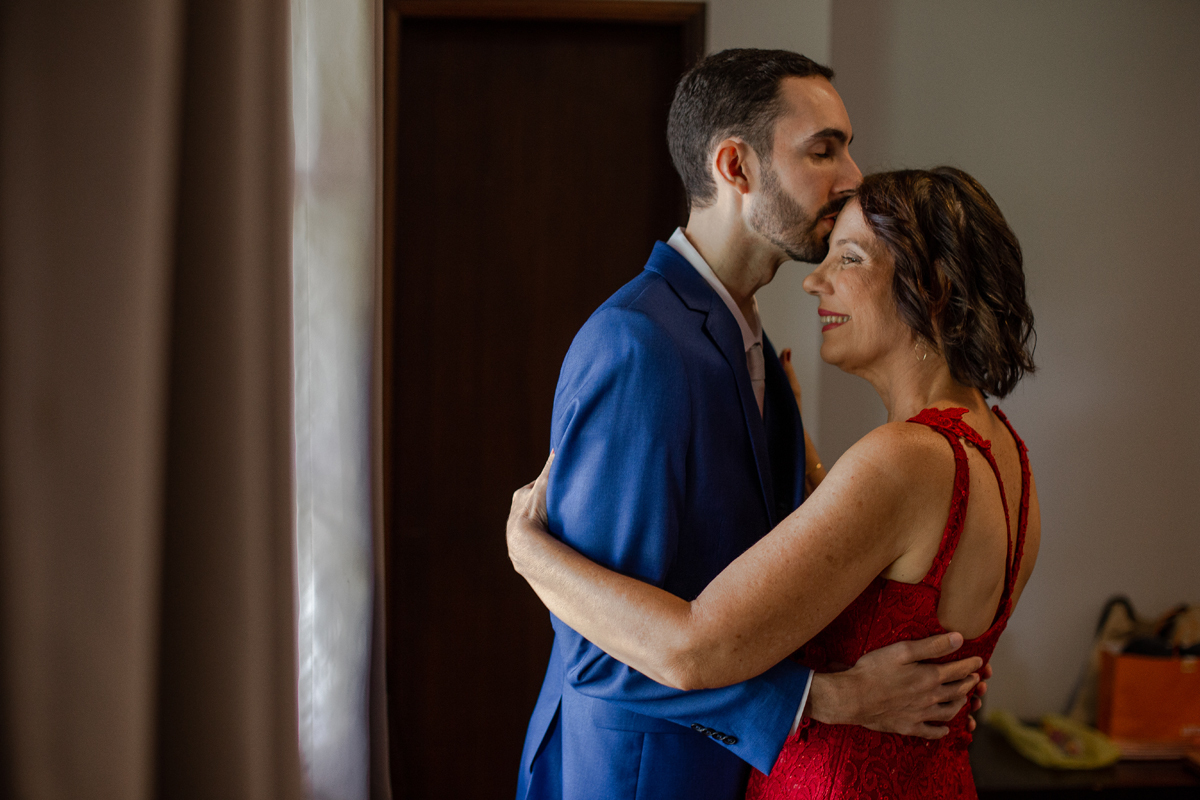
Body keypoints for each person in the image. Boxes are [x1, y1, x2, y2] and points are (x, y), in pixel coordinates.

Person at [515, 48, 989, 800]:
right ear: (735, 166)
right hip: (635, 780)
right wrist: (824, 698)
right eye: (823, 150)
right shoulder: (638, 345)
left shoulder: (755, 346)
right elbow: (595, 652)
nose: (853, 176)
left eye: (848, 148)